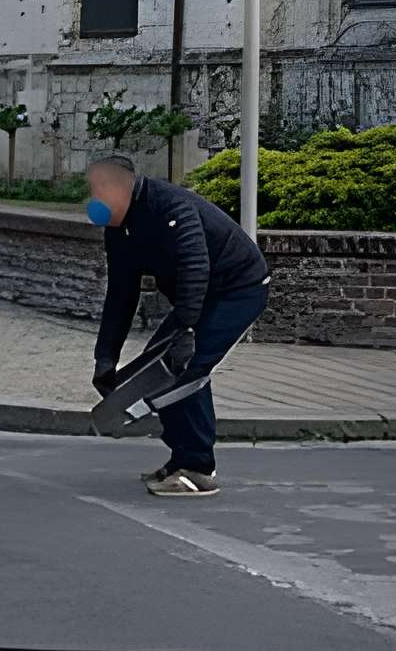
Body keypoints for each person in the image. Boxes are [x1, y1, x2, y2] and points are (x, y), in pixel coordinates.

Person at [87, 150, 270, 499]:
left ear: (119, 187)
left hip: (238, 288)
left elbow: (195, 269)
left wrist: (186, 332)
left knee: (186, 370)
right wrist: (105, 358)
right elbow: (120, 296)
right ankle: (181, 458)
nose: (92, 200)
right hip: (200, 298)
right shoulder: (119, 229)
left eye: (97, 190)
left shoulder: (170, 207)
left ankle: (199, 468)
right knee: (159, 369)